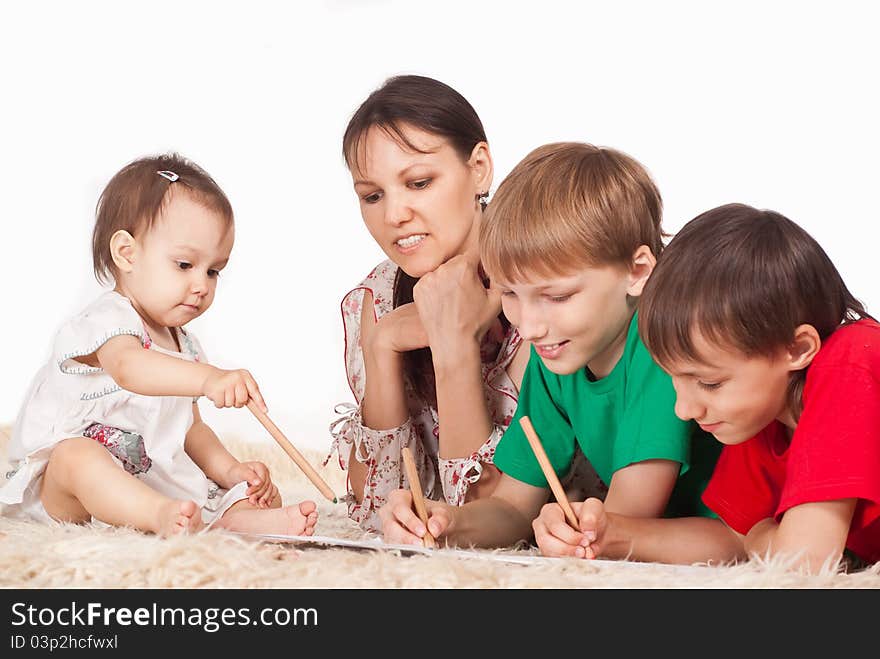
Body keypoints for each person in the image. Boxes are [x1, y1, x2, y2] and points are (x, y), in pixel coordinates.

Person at [378, 142, 721, 550]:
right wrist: (446, 520)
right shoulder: (557, 355)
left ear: (637, 271)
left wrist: (575, 530)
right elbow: (512, 507)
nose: (531, 325)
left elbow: (625, 521)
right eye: (510, 294)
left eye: (556, 297)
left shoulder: (659, 346)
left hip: (730, 537)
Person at [325, 75, 604, 532]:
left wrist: (453, 345)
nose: (394, 216)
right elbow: (369, 508)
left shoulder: (541, 296)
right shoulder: (375, 297)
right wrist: (382, 346)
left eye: (418, 183)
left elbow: (486, 510)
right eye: (372, 196)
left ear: (479, 168)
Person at [0, 154, 319, 538]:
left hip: (149, 480)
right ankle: (157, 516)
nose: (202, 285)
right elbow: (131, 368)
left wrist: (232, 470)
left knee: (231, 488)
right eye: (185, 265)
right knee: (76, 457)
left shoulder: (186, 346)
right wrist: (208, 379)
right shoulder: (105, 322)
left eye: (213, 270)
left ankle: (231, 519)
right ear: (127, 254)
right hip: (67, 496)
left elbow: (192, 431)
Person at [569, 203, 880, 573]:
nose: (684, 410)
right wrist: (608, 533)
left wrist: (762, 534)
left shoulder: (852, 360)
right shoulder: (764, 411)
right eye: (675, 379)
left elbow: (804, 560)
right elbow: (732, 537)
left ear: (798, 349)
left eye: (709, 383)